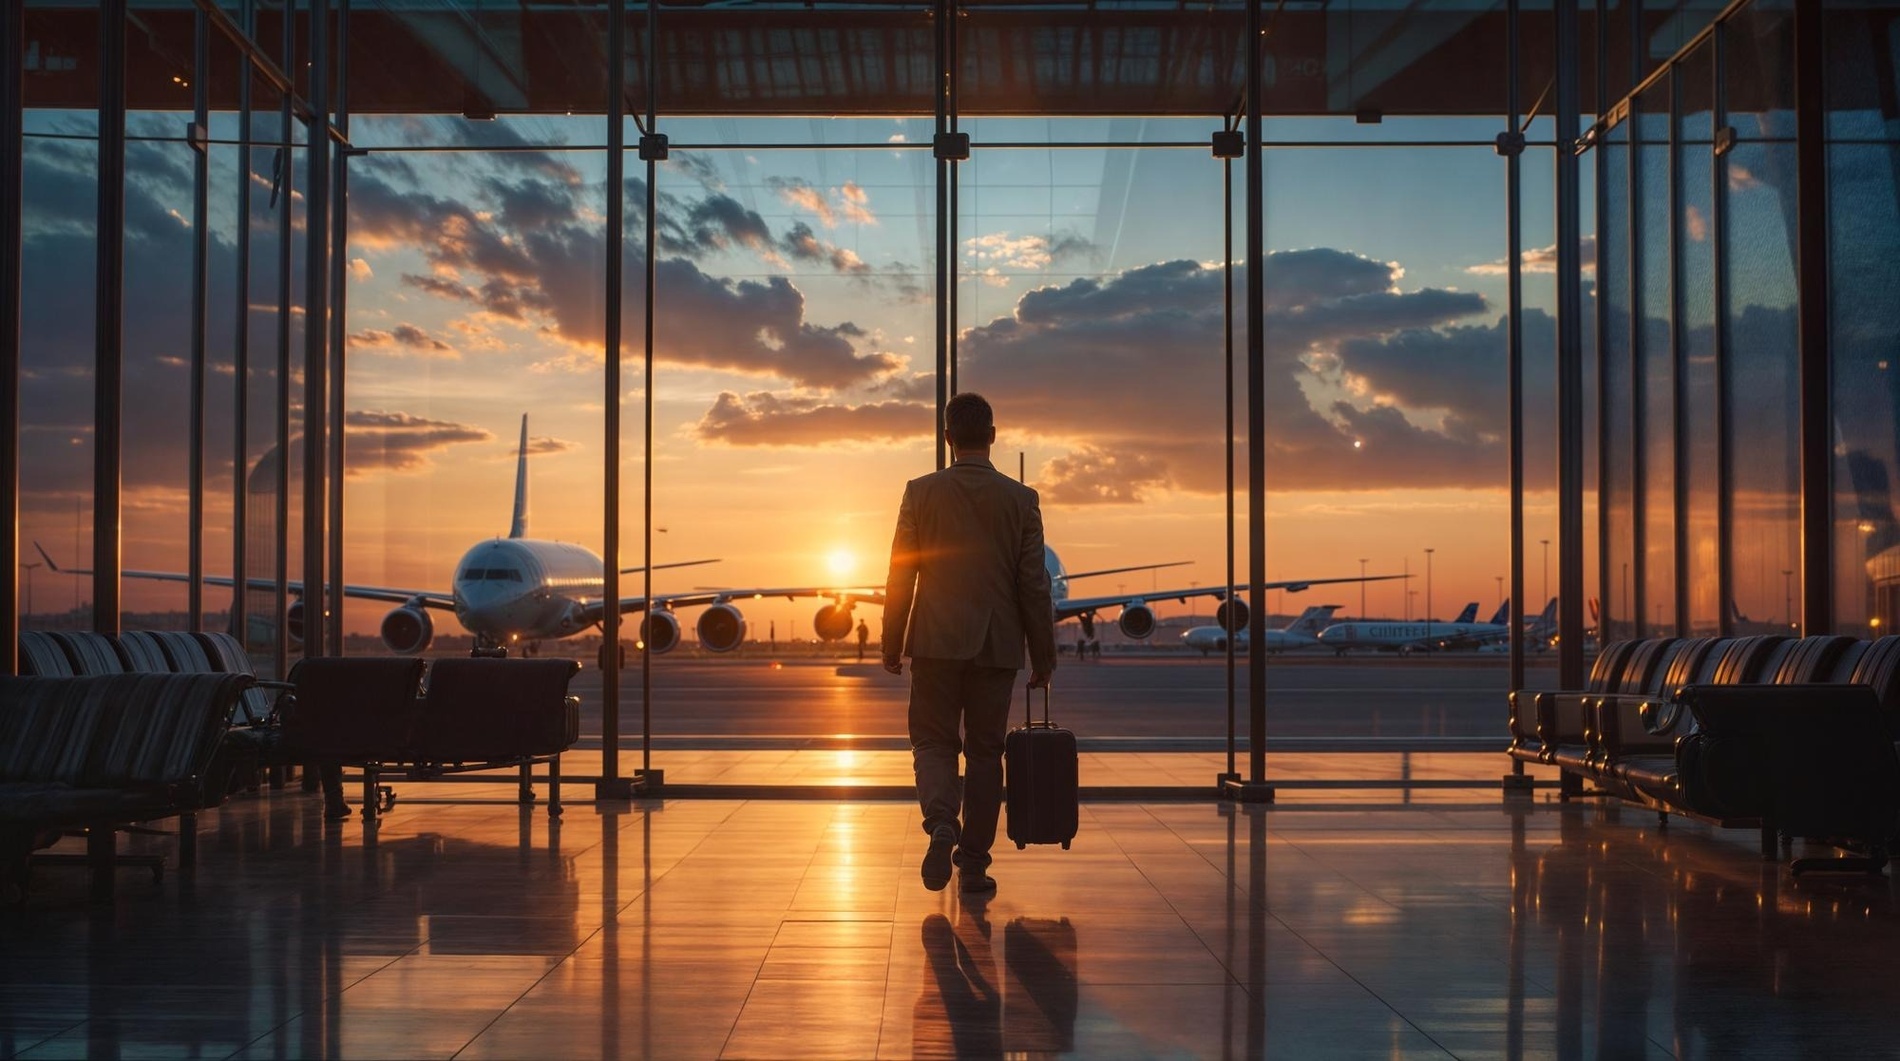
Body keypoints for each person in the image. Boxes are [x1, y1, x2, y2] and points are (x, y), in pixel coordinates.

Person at [883, 392, 1057, 895]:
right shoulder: (1021, 500)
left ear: (947, 439)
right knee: (985, 754)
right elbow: (1034, 584)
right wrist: (1042, 658)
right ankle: (975, 864)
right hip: (995, 646)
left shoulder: (920, 492)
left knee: (933, 742)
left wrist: (892, 643)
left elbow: (900, 576)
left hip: (934, 642)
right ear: (994, 437)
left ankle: (941, 823)